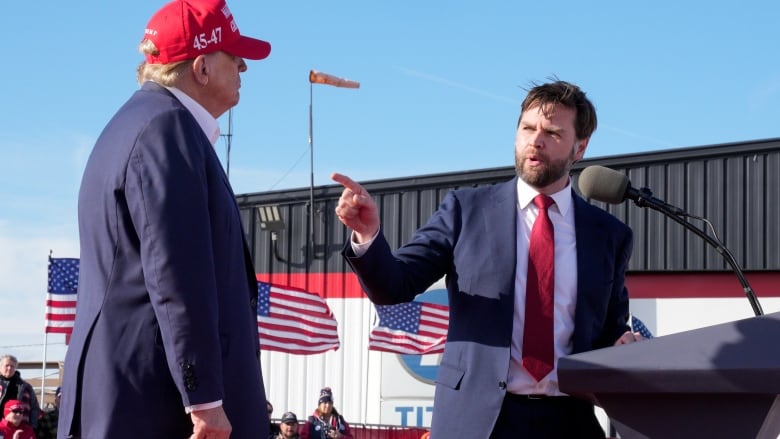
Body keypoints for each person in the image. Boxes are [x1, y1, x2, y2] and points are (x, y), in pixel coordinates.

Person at [332, 79, 645, 439]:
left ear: (580, 147)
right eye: (527, 128)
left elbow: (608, 329)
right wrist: (368, 236)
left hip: (569, 420)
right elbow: (394, 285)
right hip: (479, 422)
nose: (535, 141)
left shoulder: (608, 235)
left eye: (553, 133)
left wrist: (622, 345)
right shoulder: (466, 210)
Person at [57, 1, 273, 438]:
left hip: (129, 396)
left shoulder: (133, 124)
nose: (244, 67)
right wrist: (205, 401)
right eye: (233, 55)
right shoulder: (165, 129)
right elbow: (177, 273)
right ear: (202, 68)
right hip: (158, 408)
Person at [0, 355, 40, 428]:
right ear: (0, 367)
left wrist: (32, 427)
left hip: (21, 427)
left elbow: (35, 408)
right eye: (7, 365)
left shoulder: (26, 387)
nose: (9, 368)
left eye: (12, 366)